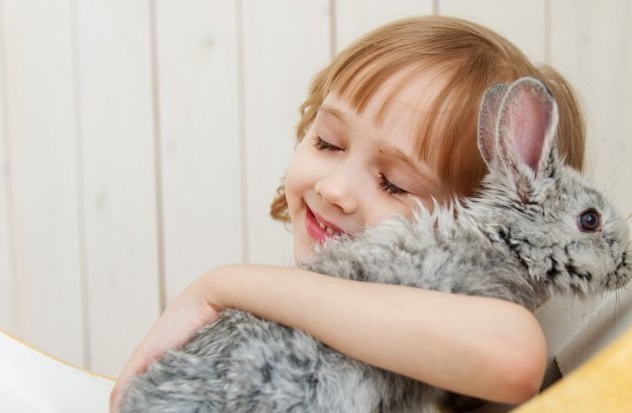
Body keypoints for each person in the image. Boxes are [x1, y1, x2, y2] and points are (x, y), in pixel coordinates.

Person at [110, 15, 585, 412]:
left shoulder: (458, 344)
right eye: (327, 142)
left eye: (394, 184)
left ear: (474, 232)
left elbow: (514, 356)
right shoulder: (296, 331)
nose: (334, 189)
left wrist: (220, 286)